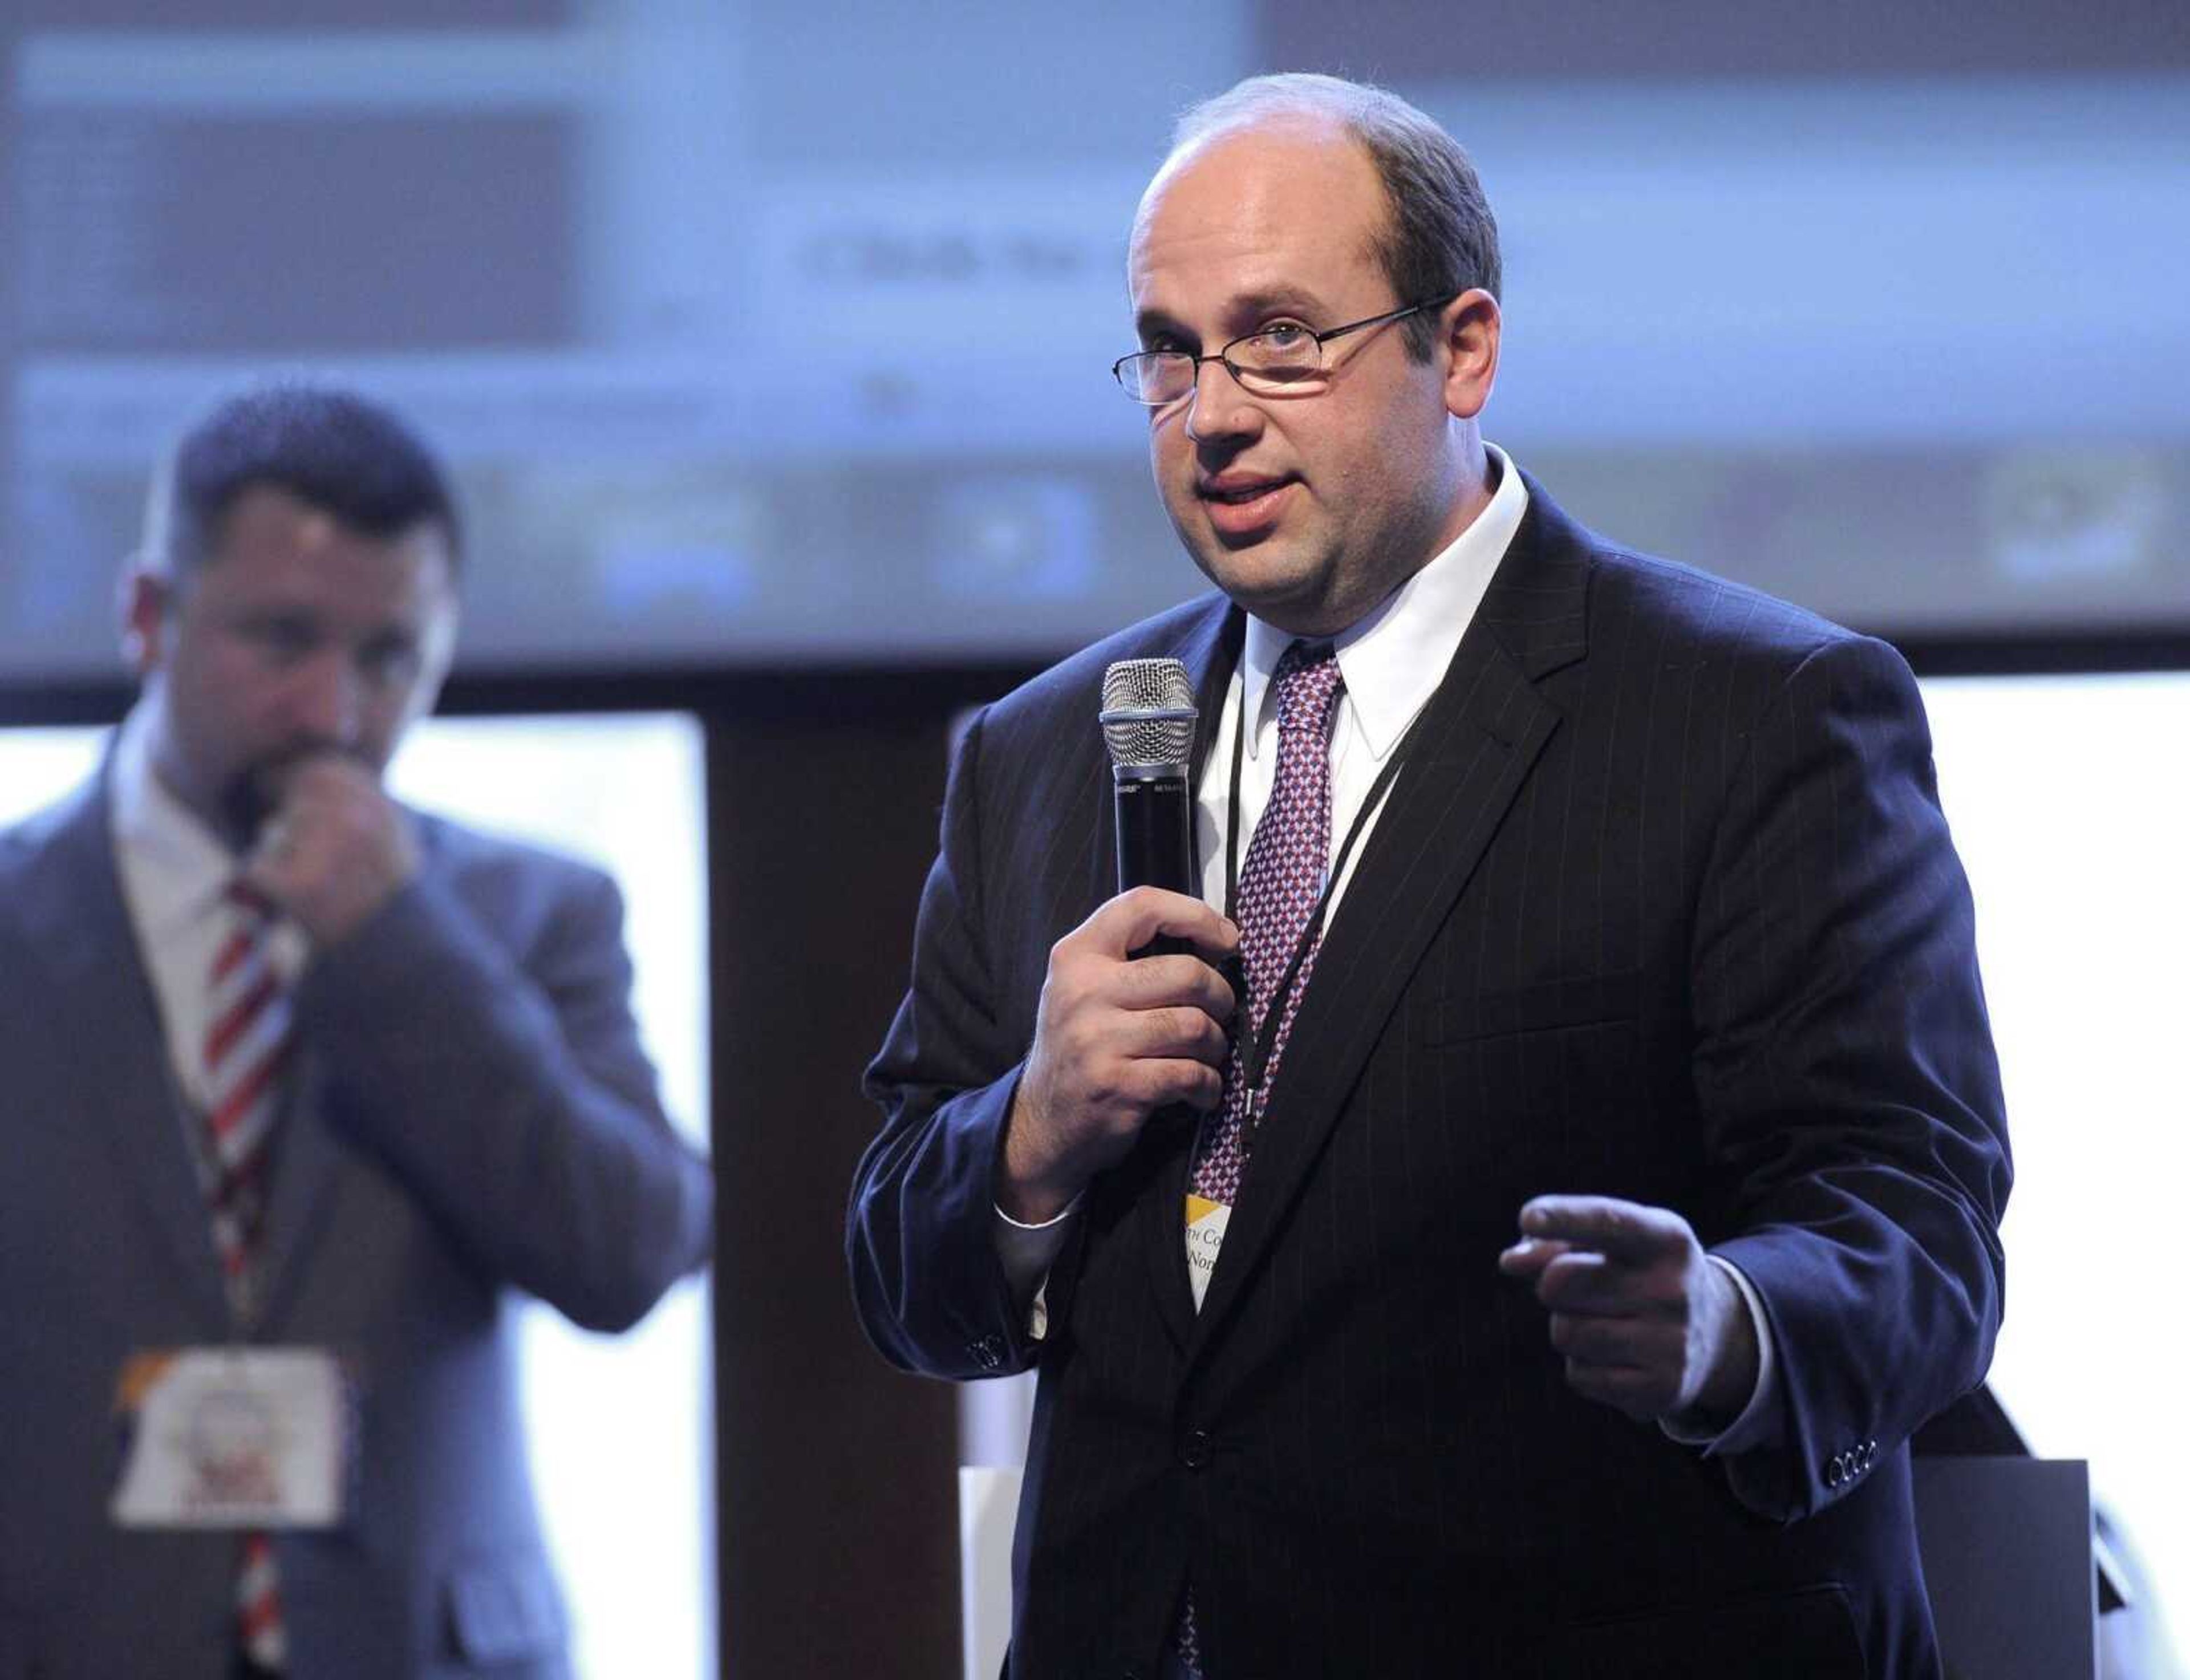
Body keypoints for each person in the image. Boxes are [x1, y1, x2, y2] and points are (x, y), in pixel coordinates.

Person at [847, 73, 2010, 1679]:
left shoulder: (1758, 714)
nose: (1213, 416)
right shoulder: (1043, 752)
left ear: (1461, 347)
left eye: (1280, 338)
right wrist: (1031, 1132)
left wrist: (1722, 1327)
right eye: (1170, 352)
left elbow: (1916, 1228)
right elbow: (901, 1271)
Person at [0, 384, 713, 1680]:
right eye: (281, 640)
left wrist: (399, 945)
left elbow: (629, 1256)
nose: (334, 713)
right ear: (149, 618)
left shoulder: (529, 912)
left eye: (388, 656)